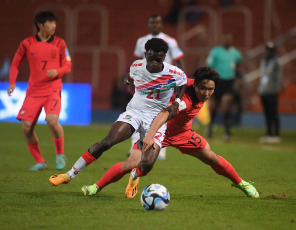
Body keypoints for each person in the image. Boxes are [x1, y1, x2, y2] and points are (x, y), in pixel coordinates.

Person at [66, 66, 259, 199]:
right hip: (158, 130)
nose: (207, 93)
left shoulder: (193, 83)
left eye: (211, 90)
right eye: (203, 89)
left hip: (183, 134)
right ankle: (95, 187)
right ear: (196, 85)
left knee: (212, 157)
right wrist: (150, 135)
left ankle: (241, 183)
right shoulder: (186, 101)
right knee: (132, 162)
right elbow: (165, 113)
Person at [49, 38, 188, 188]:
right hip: (135, 112)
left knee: (147, 164)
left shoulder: (175, 72)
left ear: (165, 56)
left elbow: (183, 83)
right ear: (145, 54)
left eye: (158, 59)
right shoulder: (136, 66)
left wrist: (177, 102)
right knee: (108, 141)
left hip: (157, 119)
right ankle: (69, 174)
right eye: (151, 57)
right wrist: (127, 82)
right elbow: (130, 78)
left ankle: (134, 176)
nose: (154, 62)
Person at [7, 11, 71, 171]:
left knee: (52, 121)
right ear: (40, 25)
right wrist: (12, 83)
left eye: (55, 23)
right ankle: (40, 162)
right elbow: (15, 64)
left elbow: (67, 66)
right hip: (33, 91)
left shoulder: (60, 43)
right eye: (50, 23)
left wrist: (57, 72)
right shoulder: (27, 43)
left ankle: (60, 154)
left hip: (53, 89)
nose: (54, 26)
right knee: (26, 127)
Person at [132, 14, 185, 160]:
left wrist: (182, 77)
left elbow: (179, 61)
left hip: (164, 84)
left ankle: (159, 148)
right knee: (137, 112)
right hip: (145, 82)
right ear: (148, 24)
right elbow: (136, 60)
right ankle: (135, 146)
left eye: (157, 22)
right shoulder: (141, 41)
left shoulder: (170, 41)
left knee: (161, 113)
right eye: (152, 22)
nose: (154, 25)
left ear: (161, 24)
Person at [206, 32, 243, 140]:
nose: (227, 41)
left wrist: (239, 78)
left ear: (231, 40)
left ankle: (227, 131)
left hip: (229, 82)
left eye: (229, 39)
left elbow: (238, 67)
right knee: (215, 106)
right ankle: (210, 127)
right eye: (225, 39)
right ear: (222, 40)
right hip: (218, 81)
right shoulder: (215, 51)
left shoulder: (236, 53)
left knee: (227, 103)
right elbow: (209, 66)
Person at [258, 42, 282, 143]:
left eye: (270, 50)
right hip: (264, 91)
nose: (268, 52)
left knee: (274, 113)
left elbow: (278, 77)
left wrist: (276, 89)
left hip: (272, 91)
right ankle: (268, 133)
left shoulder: (276, 62)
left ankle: (276, 134)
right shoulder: (263, 61)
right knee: (267, 113)